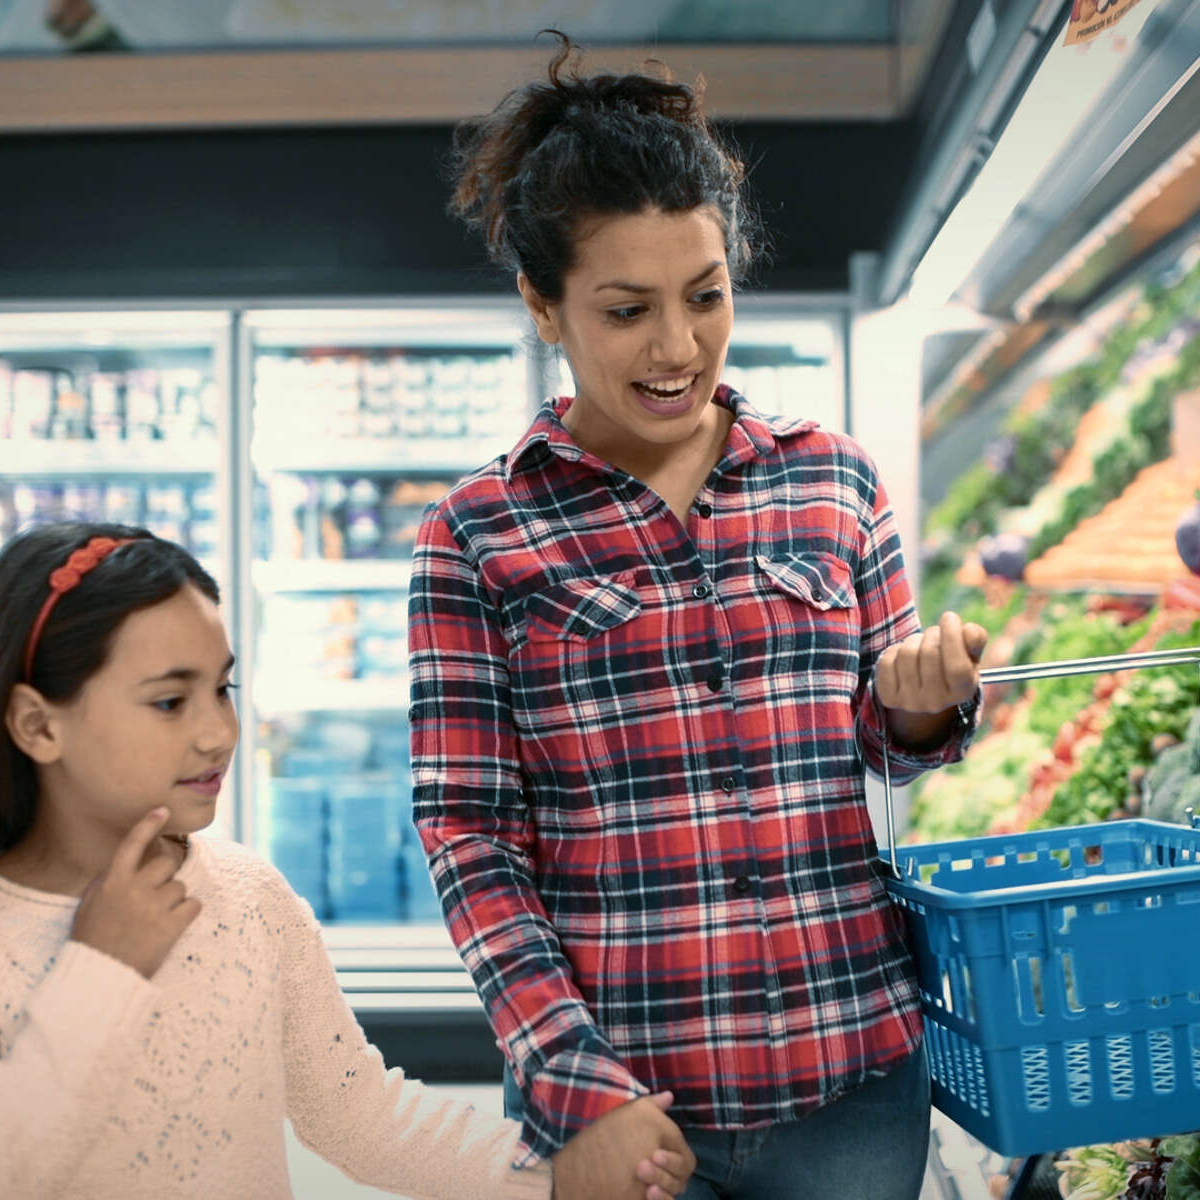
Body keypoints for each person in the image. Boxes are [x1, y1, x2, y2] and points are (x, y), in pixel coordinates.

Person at [412, 37, 988, 1200]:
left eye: (705, 296)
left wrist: (923, 709)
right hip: (628, 1108)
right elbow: (473, 841)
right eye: (626, 310)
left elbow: (884, 744)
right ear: (543, 305)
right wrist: (578, 1085)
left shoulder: (835, 480)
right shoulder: (477, 535)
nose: (676, 348)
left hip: (854, 1084)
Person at [0, 523, 692, 1200]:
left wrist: (553, 1177)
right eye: (170, 700)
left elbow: (356, 1113)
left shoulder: (245, 895)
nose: (217, 732)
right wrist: (100, 968)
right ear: (36, 725)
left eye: (221, 688)